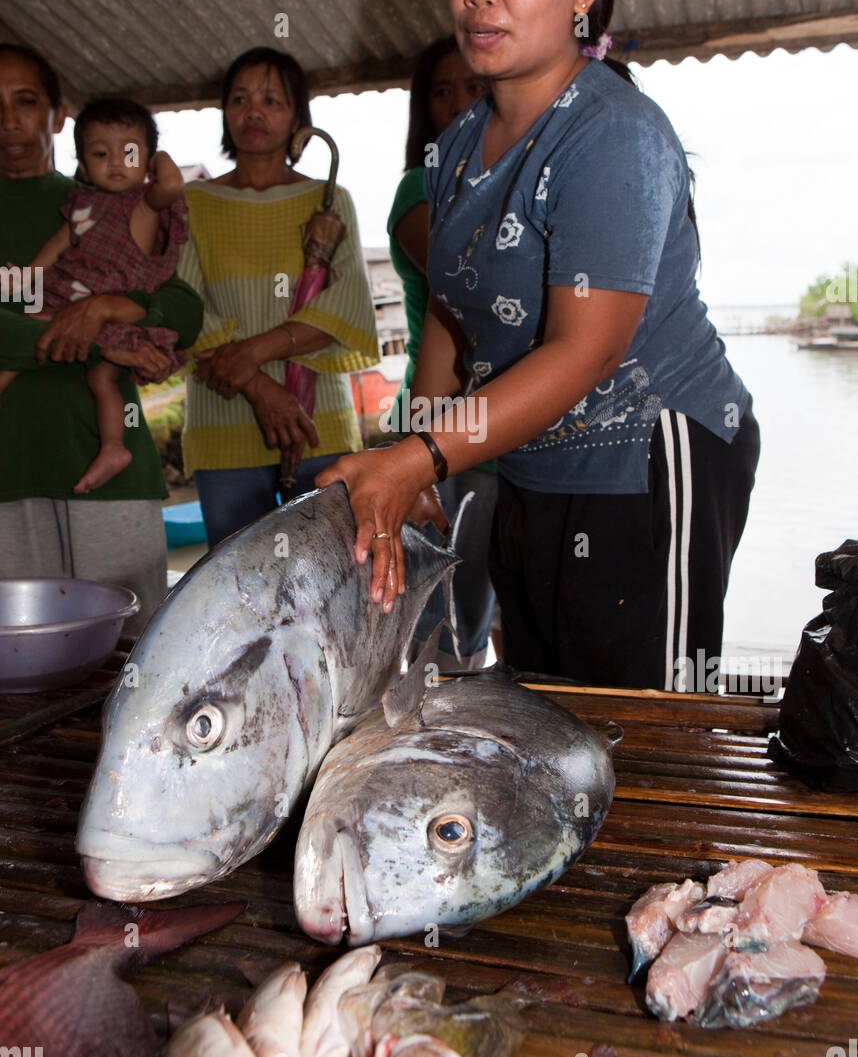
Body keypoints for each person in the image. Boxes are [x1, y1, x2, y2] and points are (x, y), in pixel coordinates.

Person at [318, 0, 761, 692]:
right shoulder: (451, 153)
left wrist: (421, 455)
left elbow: (585, 352)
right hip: (527, 461)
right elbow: (453, 321)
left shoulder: (612, 134)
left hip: (645, 452)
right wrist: (424, 451)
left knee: (638, 724)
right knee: (541, 715)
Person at [0, 44, 203, 636]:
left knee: (130, 663)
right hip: (7, 475)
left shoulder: (106, 203)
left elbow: (185, 310)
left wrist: (109, 307)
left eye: (26, 102)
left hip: (108, 469)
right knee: (19, 667)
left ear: (58, 116)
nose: (10, 120)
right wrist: (99, 339)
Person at [179, 46, 378, 547]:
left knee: (326, 583)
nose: (254, 112)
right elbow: (182, 310)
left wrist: (251, 354)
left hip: (317, 422)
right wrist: (263, 388)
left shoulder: (330, 200)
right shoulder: (192, 203)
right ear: (225, 114)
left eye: (272, 99)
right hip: (223, 426)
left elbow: (347, 304)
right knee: (240, 591)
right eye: (240, 99)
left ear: (297, 117)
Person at [0, 97, 188, 493]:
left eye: (131, 152)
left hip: (118, 318)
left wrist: (158, 161)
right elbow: (48, 256)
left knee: (100, 378)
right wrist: (21, 280)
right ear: (83, 163)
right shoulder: (80, 207)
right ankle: (114, 447)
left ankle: (114, 446)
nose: (117, 162)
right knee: (34, 331)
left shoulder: (144, 206)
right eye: (101, 153)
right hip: (70, 301)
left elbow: (171, 184)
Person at [387, 35, 499, 670]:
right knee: (446, 632)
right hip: (444, 436)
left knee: (512, 621)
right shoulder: (418, 190)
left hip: (516, 430)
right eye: (441, 91)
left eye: (475, 87)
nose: (460, 102)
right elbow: (466, 281)